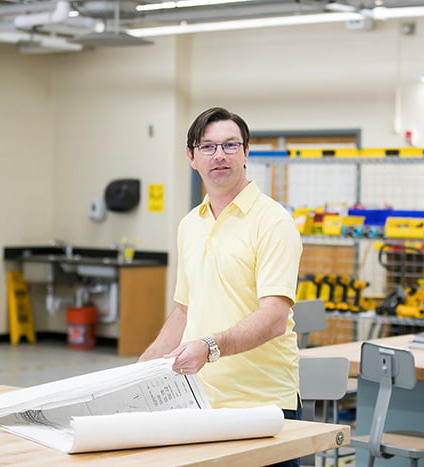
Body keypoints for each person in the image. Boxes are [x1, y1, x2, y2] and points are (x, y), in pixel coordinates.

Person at [138, 107, 303, 466]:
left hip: (262, 406)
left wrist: (209, 347)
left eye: (230, 145)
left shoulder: (272, 221)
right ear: (191, 157)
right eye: (208, 147)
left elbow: (275, 316)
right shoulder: (189, 224)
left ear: (246, 153)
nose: (220, 156)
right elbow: (184, 310)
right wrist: (139, 370)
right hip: (199, 400)